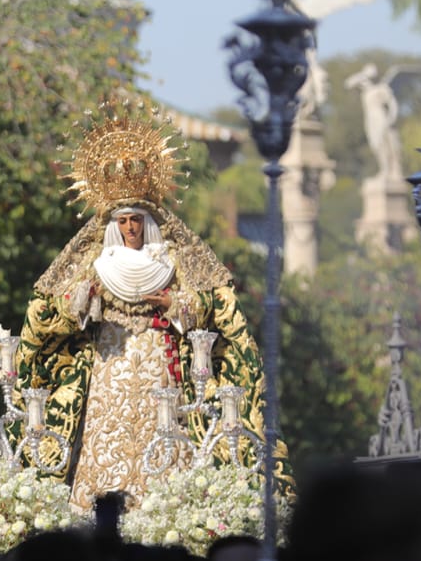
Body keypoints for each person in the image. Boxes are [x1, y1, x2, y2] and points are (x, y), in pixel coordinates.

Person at [20, 98, 283, 511]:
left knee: (162, 438)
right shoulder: (97, 261)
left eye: (135, 220)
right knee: (108, 434)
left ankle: (165, 513)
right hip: (111, 361)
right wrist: (85, 301)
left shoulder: (171, 259)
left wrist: (174, 304)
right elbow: (64, 311)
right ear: (112, 224)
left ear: (148, 222)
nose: (129, 228)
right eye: (122, 221)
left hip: (161, 364)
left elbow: (205, 311)